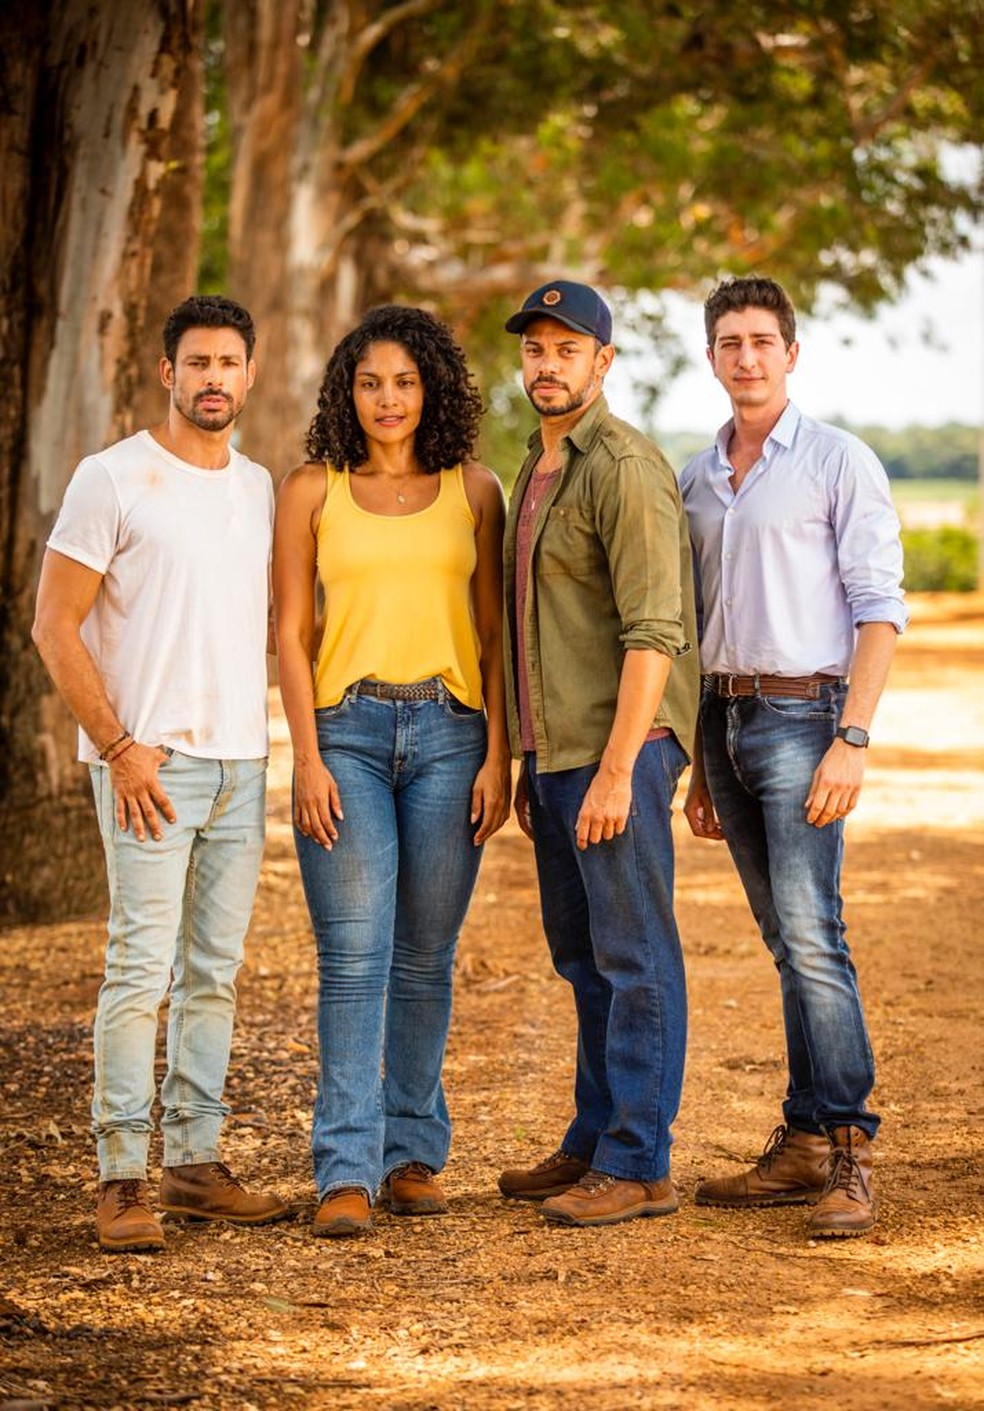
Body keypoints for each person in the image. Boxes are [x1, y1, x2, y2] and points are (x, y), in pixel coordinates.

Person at [32, 295, 288, 1253]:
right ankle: (120, 1177)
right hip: (150, 766)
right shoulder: (114, 478)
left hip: (239, 764)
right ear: (167, 373)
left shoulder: (258, 486)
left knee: (213, 973)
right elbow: (53, 627)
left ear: (249, 375)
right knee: (139, 969)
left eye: (230, 362)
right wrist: (118, 743)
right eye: (198, 363)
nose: (215, 378)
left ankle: (192, 1160)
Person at [273, 304, 510, 1238]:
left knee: (424, 957)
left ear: (432, 389)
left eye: (404, 381)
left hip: (454, 736)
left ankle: (412, 1152)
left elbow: (493, 637)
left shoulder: (475, 490)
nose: (387, 399)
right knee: (354, 955)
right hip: (348, 735)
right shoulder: (310, 490)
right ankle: (344, 1168)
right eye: (370, 381)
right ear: (347, 391)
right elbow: (289, 634)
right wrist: (306, 755)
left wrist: (500, 754)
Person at [680, 275, 907, 1238]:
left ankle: (850, 1146)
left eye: (762, 340)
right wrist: (699, 754)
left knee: (815, 936)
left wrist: (851, 738)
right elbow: (692, 625)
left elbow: (880, 607)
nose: (746, 356)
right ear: (711, 356)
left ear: (792, 353)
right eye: (729, 340)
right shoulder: (697, 476)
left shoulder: (836, 461)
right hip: (726, 722)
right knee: (785, 940)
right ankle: (806, 1136)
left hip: (806, 717)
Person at [495, 280, 699, 1228]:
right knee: (582, 959)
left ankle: (639, 1161)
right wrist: (530, 757)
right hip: (557, 754)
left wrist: (619, 768)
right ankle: (593, 1137)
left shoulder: (624, 465)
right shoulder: (534, 472)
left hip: (618, 750)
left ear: (603, 362)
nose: (547, 364)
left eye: (567, 349)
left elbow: (654, 630)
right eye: (535, 348)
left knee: (633, 954)